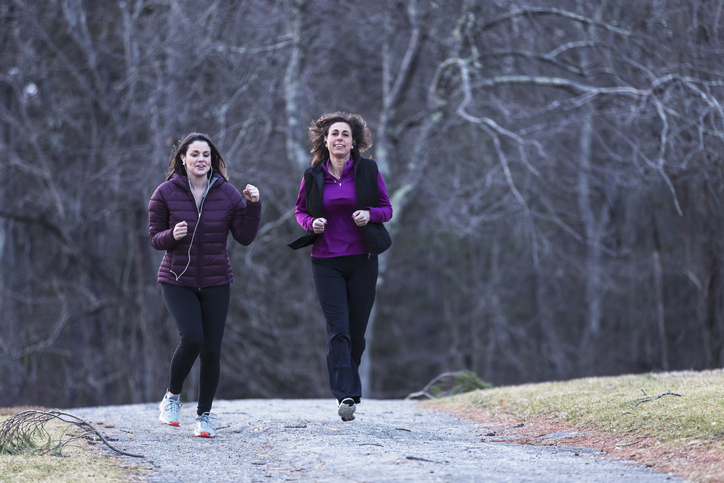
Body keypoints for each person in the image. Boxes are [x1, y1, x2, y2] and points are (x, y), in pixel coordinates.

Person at [149, 132, 262, 438]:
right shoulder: (165, 193)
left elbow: (244, 236)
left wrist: (252, 206)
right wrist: (172, 235)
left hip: (216, 280)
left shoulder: (227, 194)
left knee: (212, 350)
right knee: (193, 339)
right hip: (176, 279)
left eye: (206, 155)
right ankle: (172, 398)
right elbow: (154, 237)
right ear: (182, 159)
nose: (201, 160)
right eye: (195, 154)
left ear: (213, 160)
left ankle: (204, 416)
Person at [291, 112, 393, 421]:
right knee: (338, 330)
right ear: (325, 140)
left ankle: (349, 384)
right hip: (326, 261)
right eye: (334, 133)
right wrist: (312, 222)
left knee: (357, 333)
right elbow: (299, 210)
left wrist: (370, 215)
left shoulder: (367, 171)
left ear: (353, 142)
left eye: (345, 134)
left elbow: (387, 209)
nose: (339, 139)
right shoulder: (313, 176)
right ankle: (345, 394)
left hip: (362, 259)